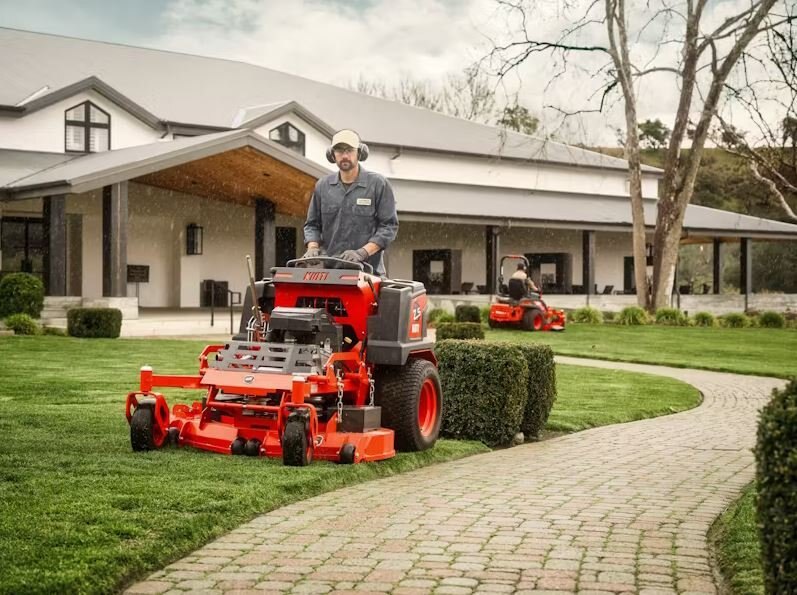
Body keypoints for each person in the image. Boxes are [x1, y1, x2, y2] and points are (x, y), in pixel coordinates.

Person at [302, 129, 398, 276]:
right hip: (331, 274)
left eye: (349, 150)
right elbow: (312, 224)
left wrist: (362, 252)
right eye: (340, 151)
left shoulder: (378, 184)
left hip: (368, 274)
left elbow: (388, 226)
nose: (345, 156)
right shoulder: (323, 186)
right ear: (332, 155)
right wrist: (313, 247)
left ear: (360, 153)